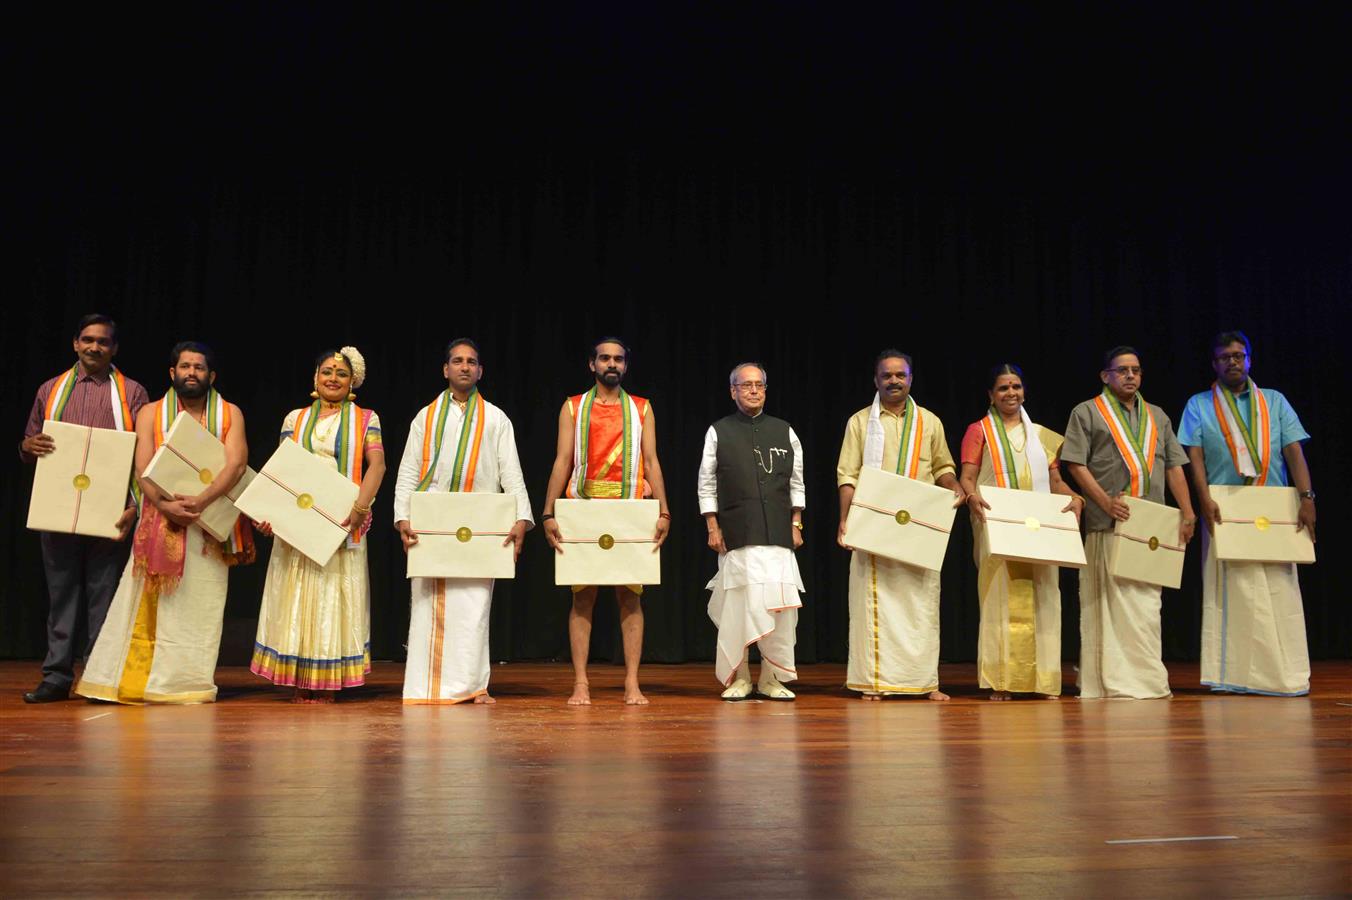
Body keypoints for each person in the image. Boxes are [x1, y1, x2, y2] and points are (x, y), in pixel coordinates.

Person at [76, 342, 253, 703]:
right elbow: (142, 469)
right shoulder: (151, 413)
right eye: (185, 366)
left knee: (200, 605)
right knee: (145, 601)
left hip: (208, 526)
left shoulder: (229, 413)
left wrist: (201, 501)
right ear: (172, 373)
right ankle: (134, 679)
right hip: (161, 521)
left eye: (199, 368)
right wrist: (165, 506)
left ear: (211, 376)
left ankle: (184, 682)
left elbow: (236, 465)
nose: (192, 373)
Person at [393, 339, 533, 704]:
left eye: (472, 362)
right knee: (427, 604)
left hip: (480, 523)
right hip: (432, 522)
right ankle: (424, 687)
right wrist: (402, 517)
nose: (465, 367)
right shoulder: (425, 416)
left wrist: (520, 518)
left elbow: (511, 471)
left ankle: (473, 686)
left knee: (474, 605)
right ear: (446, 369)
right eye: (457, 361)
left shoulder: (497, 418)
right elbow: (408, 470)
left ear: (480, 371)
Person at [19, 314, 149, 703]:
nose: (95, 347)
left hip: (109, 510)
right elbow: (30, 443)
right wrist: (27, 447)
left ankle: (98, 676)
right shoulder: (51, 389)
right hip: (57, 508)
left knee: (102, 595)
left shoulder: (132, 393)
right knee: (61, 596)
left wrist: (134, 506)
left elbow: (143, 458)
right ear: (75, 343)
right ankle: (56, 676)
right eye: (88, 340)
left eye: (103, 342)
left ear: (114, 348)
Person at [1178, 330, 1314, 696]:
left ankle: (1286, 673)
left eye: (1239, 355)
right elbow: (1195, 458)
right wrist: (1202, 500)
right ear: (1214, 364)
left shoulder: (1274, 401)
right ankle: (1234, 675)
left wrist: (1308, 498)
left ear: (1249, 360)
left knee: (1279, 589)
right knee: (1232, 591)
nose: (1233, 362)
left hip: (1274, 507)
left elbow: (1294, 451)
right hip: (1225, 507)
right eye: (1225, 357)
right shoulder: (1199, 404)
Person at [251, 346, 386, 703]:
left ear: (353, 381)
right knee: (297, 595)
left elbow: (378, 465)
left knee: (333, 598)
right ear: (315, 378)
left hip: (342, 520)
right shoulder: (294, 420)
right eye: (327, 371)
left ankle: (328, 682)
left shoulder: (366, 419)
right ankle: (299, 679)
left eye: (341, 374)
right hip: (297, 523)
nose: (333, 379)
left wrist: (360, 507)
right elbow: (281, 470)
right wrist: (271, 517)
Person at [541, 337, 670, 706]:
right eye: (604, 358)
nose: (610, 364)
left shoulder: (641, 409)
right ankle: (581, 682)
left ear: (625, 366)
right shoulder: (573, 407)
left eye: (617, 359)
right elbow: (562, 460)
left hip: (630, 510)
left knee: (630, 598)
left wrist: (663, 511)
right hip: (584, 509)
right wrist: (549, 512)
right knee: (583, 598)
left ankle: (632, 682)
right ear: (592, 364)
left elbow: (652, 461)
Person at [1062, 345, 1195, 700]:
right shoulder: (1087, 412)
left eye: (1135, 370)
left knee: (1148, 606)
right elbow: (1075, 464)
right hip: (1109, 522)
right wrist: (1103, 502)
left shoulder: (1158, 416)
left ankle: (1147, 680)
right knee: (1110, 604)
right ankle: (1112, 682)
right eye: (1122, 370)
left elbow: (1173, 466)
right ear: (1106, 376)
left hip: (1151, 525)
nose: (1130, 376)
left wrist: (1188, 510)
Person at [836, 349, 965, 701]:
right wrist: (844, 520)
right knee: (873, 602)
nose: (894, 381)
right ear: (876, 380)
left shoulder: (931, 422)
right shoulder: (860, 422)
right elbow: (847, 475)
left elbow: (943, 467)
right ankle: (875, 682)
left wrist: (954, 486)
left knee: (920, 605)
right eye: (887, 375)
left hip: (917, 527)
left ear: (911, 378)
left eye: (900, 375)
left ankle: (923, 682)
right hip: (873, 523)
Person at [959, 364, 1083, 700]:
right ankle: (1003, 681)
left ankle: (1043, 681)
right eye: (1003, 388)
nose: (1011, 393)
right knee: (999, 598)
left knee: (1044, 598)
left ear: (1024, 391)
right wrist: (971, 497)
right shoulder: (979, 431)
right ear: (991, 395)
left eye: (1016, 387)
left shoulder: (1042, 435)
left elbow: (1056, 482)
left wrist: (1075, 499)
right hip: (995, 525)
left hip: (1039, 527)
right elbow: (967, 476)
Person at [699, 363, 806, 701]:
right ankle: (741, 677)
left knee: (779, 607)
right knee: (740, 606)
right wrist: (712, 525)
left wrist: (796, 523)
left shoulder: (785, 430)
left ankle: (771, 679)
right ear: (733, 391)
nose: (754, 391)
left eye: (759, 385)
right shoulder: (719, 431)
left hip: (777, 534)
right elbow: (707, 483)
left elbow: (796, 482)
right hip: (737, 534)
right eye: (746, 385)